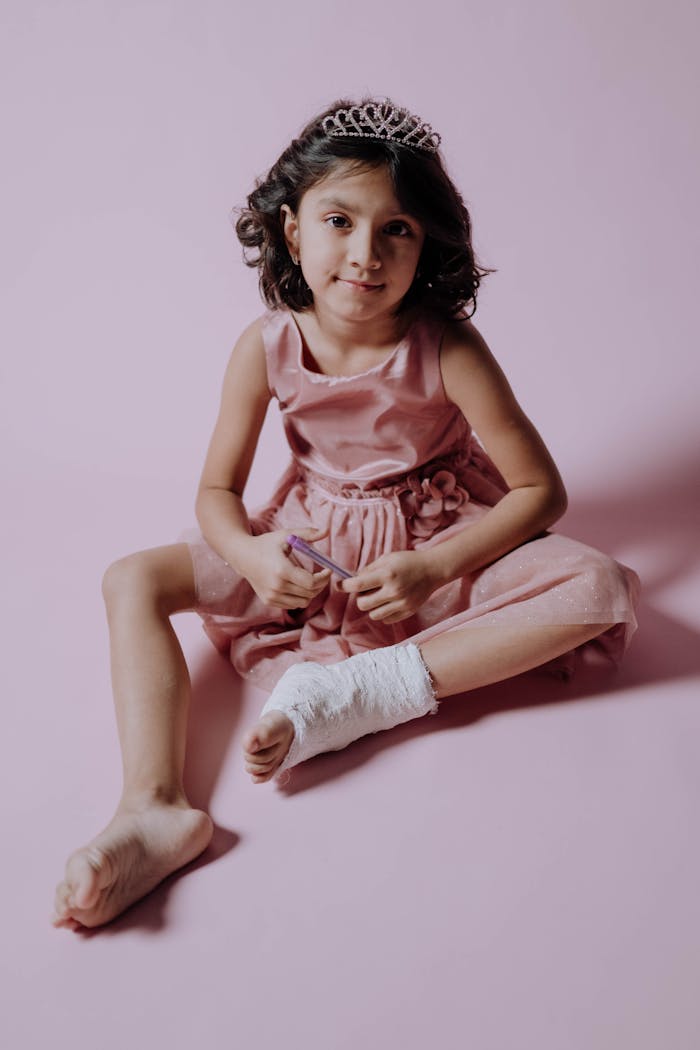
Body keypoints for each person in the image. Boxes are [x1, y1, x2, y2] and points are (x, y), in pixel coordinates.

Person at [52, 97, 640, 930]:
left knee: (601, 588)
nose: (366, 254)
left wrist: (437, 566)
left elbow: (541, 491)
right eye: (340, 221)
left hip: (432, 542)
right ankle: (151, 808)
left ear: (426, 243)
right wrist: (252, 558)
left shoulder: (446, 346)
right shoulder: (266, 346)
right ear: (293, 231)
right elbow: (216, 494)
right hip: (308, 544)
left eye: (396, 229)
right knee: (130, 579)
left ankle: (364, 691)